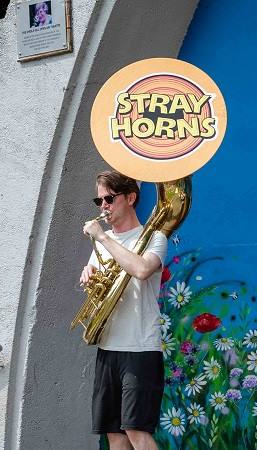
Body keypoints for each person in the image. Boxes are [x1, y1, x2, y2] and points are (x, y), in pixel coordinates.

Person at [80, 170, 168, 450]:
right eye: (99, 200)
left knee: (136, 431)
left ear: (131, 197)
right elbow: (102, 291)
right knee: (114, 434)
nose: (103, 206)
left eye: (109, 198)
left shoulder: (154, 238)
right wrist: (90, 277)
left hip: (140, 347)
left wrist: (105, 240)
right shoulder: (102, 243)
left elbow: (141, 270)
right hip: (108, 347)